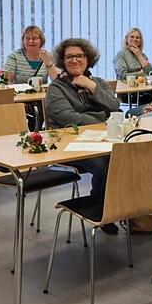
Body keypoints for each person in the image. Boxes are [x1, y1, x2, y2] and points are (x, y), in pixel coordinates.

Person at [44, 38, 122, 222]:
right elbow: (69, 118)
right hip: (72, 142)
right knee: (104, 165)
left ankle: (121, 207)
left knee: (126, 158)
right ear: (62, 61)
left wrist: (91, 86)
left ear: (88, 59)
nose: (74, 60)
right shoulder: (56, 88)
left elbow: (115, 106)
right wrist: (104, 118)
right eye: (69, 57)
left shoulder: (98, 82)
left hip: (103, 138)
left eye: (79, 56)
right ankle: (101, 210)